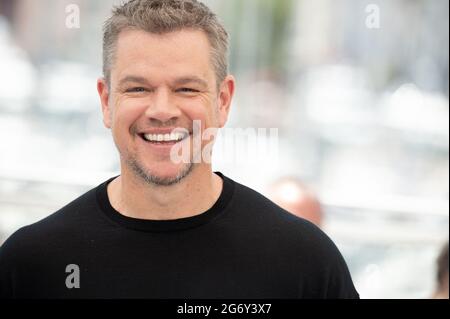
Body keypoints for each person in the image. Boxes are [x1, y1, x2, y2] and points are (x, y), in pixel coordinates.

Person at [0, 0, 358, 299]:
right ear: (106, 101)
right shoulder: (31, 264)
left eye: (187, 89)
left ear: (223, 100)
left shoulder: (305, 265)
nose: (162, 110)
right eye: (138, 89)